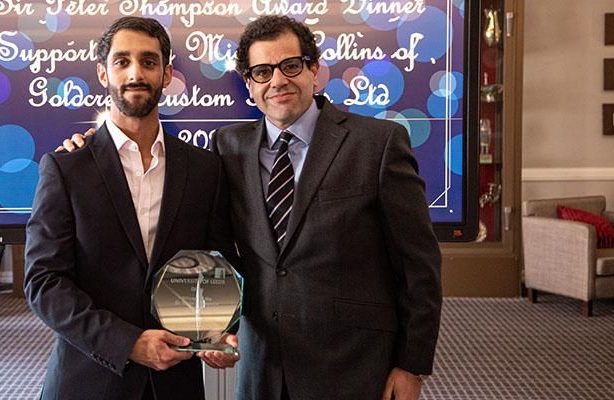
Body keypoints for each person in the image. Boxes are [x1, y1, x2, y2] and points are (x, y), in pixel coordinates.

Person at [61, 15, 441, 400]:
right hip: (264, 369)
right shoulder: (229, 147)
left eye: (290, 65)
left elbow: (418, 265)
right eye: (262, 71)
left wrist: (411, 364)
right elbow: (218, 252)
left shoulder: (377, 144)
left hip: (353, 366)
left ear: (314, 69)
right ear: (249, 84)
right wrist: (94, 150)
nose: (277, 81)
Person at [25, 16, 238, 400]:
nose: (135, 73)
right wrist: (128, 343)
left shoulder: (204, 168)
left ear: (167, 73)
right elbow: (44, 283)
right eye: (122, 61)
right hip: (90, 379)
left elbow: (217, 263)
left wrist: (218, 329)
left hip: (177, 382)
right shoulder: (65, 167)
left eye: (149, 61)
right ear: (103, 73)